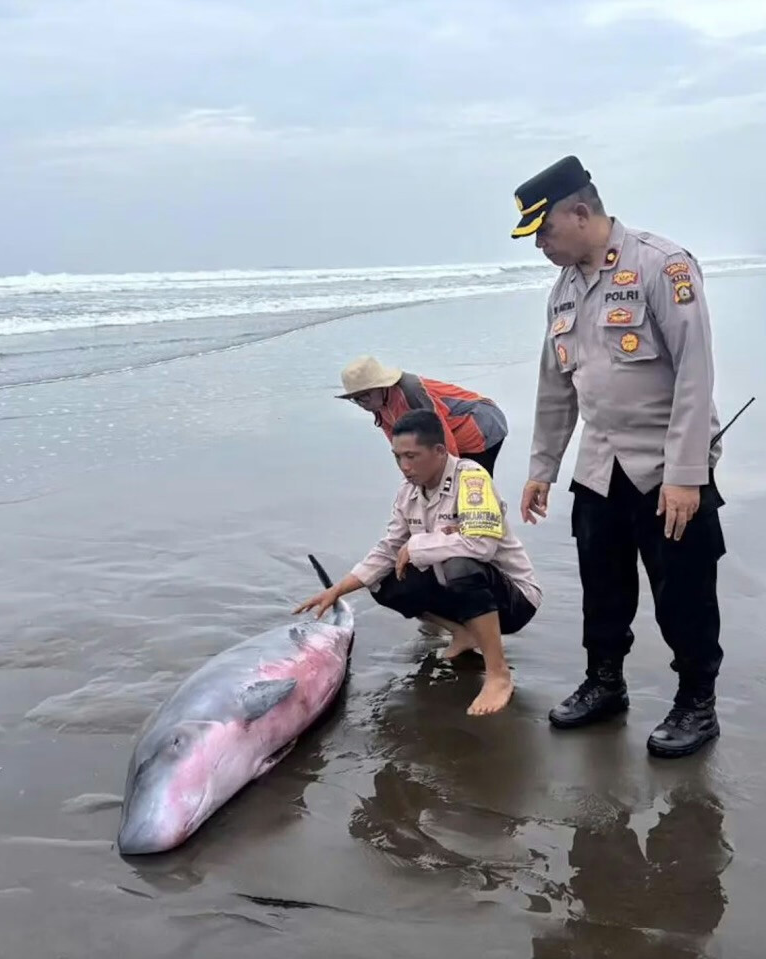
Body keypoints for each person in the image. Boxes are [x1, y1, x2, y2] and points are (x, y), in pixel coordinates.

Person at [511, 155, 727, 759]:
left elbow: (695, 374)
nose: (541, 246)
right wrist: (542, 469)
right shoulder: (564, 290)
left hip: (667, 469)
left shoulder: (663, 266)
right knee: (601, 586)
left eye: (544, 231)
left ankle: (696, 703)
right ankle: (605, 682)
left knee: (683, 593)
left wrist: (687, 476)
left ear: (581, 212)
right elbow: (557, 387)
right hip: (600, 467)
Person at [294, 408, 541, 716]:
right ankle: (462, 631)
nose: (404, 466)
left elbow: (482, 547)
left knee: (459, 565)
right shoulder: (408, 491)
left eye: (412, 456)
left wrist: (418, 544)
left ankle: (498, 674)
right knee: (382, 582)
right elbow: (387, 549)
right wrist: (338, 590)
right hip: (461, 593)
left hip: (513, 600)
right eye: (397, 457)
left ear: (439, 451)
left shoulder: (472, 480)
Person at [336, 355, 509, 475]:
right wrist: (411, 475)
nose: (362, 404)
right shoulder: (377, 404)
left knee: (470, 485)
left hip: (480, 420)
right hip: (453, 428)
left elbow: (441, 435)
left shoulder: (411, 391)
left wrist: (451, 478)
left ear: (380, 386)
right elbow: (399, 446)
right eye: (356, 399)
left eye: (364, 396)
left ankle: (490, 523)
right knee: (434, 480)